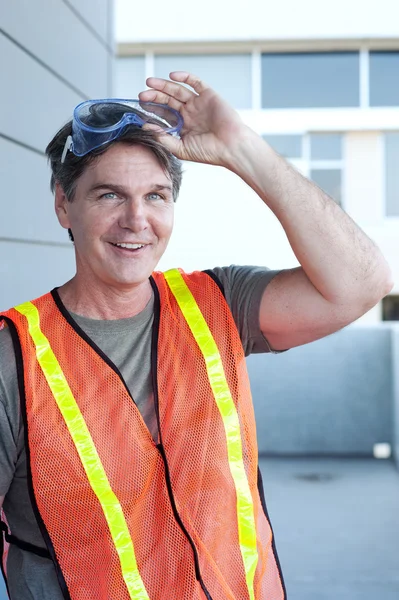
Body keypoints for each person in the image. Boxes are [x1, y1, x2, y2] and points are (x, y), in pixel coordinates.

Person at [0, 71, 392, 600]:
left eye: (157, 195)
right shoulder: (14, 357)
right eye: (110, 195)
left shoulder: (217, 303)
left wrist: (241, 148)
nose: (136, 220)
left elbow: (363, 283)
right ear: (64, 205)